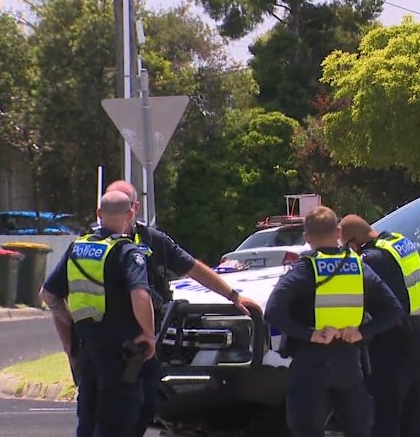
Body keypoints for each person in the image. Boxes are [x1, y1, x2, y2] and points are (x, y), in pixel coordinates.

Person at [97, 180, 261, 437]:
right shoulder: (89, 246)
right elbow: (56, 293)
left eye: (122, 203)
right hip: (106, 342)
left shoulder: (153, 240)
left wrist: (233, 296)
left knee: (143, 410)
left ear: (134, 208)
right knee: (107, 417)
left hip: (144, 344)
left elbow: (193, 267)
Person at [265, 206, 404, 437]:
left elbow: (273, 311)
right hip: (349, 366)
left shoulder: (304, 270)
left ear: (307, 237)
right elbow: (393, 310)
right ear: (339, 232)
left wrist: (310, 334)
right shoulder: (359, 267)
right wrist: (361, 332)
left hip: (310, 366)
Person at [39, 191, 156, 437]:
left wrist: (70, 345)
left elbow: (49, 295)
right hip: (119, 356)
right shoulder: (128, 252)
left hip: (86, 354)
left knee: (88, 423)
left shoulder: (77, 248)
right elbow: (140, 296)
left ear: (99, 214)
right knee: (117, 424)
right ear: (131, 213)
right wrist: (148, 334)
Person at [339, 214, 420, 437]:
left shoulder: (372, 259)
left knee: (385, 417)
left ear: (353, 242)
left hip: (395, 345)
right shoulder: (399, 242)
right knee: (412, 415)